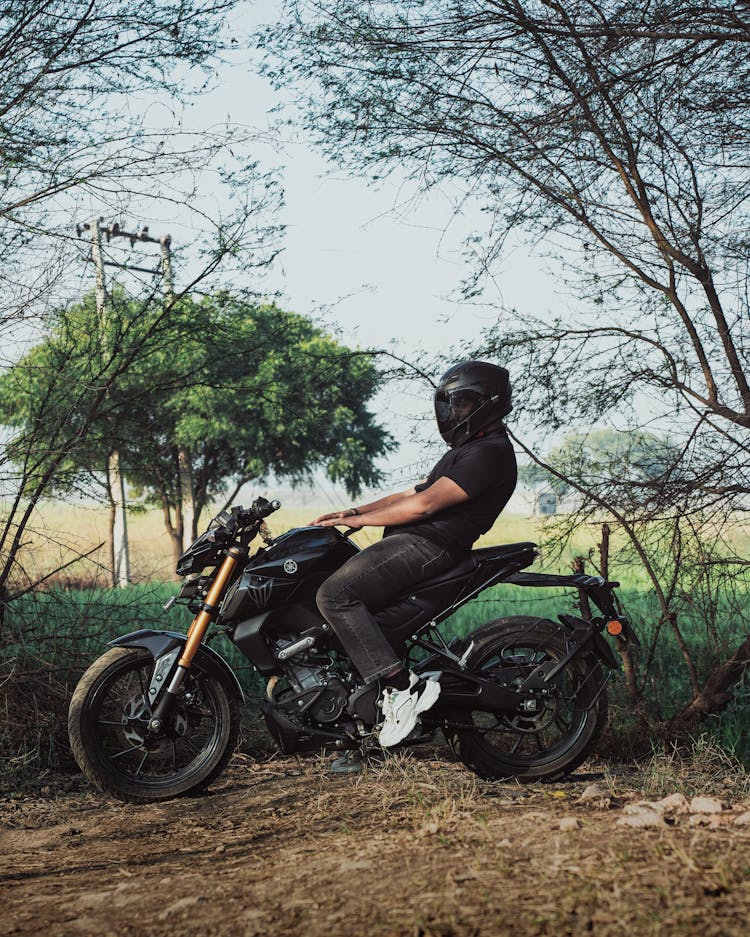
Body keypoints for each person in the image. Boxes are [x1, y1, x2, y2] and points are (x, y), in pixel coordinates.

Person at [311, 359, 517, 755]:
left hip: (429, 546)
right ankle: (367, 721)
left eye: (462, 403)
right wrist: (353, 513)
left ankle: (403, 688)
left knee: (334, 596)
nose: (453, 413)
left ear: (488, 404)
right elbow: (410, 494)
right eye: (450, 405)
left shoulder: (489, 453)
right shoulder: (469, 449)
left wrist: (368, 520)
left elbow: (423, 507)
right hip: (413, 542)